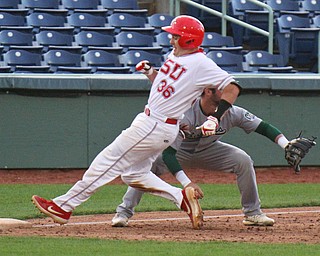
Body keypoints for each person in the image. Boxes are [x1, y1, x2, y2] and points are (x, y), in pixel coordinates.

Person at [31, 15, 241, 230]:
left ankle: (63, 206)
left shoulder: (201, 63)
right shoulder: (177, 55)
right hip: (157, 123)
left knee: (107, 161)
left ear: (188, 40)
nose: (171, 39)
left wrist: (215, 118)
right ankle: (181, 198)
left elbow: (233, 87)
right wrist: (151, 73)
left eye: (175, 36)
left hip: (155, 125)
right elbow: (168, 88)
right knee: (134, 174)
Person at [111, 87, 292, 227]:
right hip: (178, 152)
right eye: (222, 89)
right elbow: (168, 154)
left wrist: (286, 144)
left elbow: (264, 127)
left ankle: (253, 213)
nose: (228, 93)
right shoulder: (186, 112)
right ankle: (123, 213)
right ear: (207, 91)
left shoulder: (232, 112)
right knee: (146, 168)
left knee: (243, 160)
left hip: (209, 150)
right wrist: (187, 183)